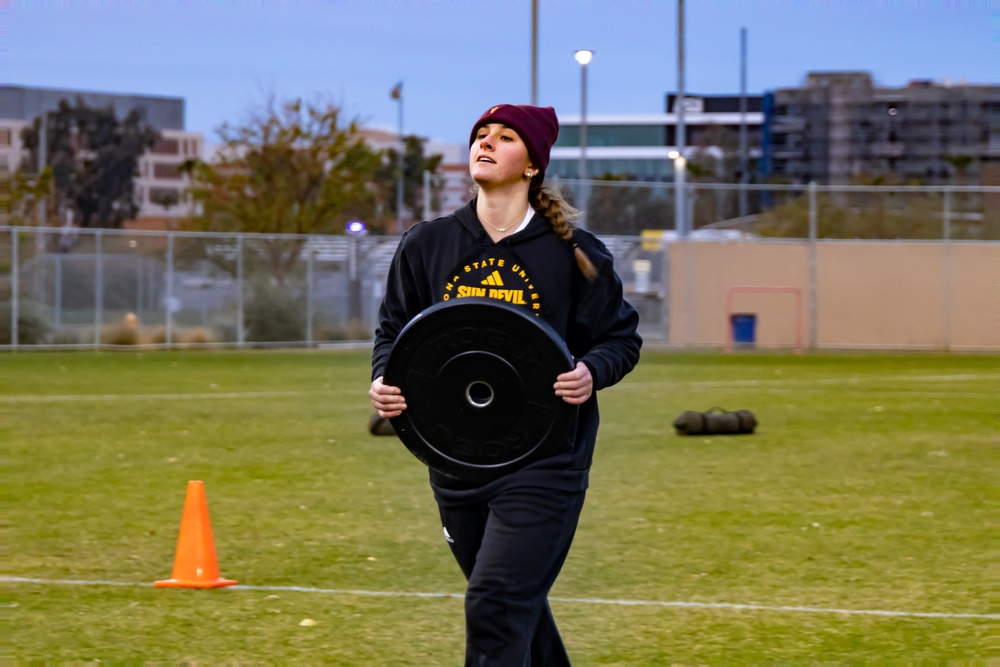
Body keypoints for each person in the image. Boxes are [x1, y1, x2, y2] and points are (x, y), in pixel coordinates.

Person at [370, 104, 641, 666]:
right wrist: (383, 380)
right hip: (456, 460)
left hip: (546, 461)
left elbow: (620, 340)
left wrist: (591, 372)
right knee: (516, 610)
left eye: (506, 137)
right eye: (480, 135)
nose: (486, 144)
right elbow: (395, 333)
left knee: (495, 602)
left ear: (532, 165)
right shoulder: (427, 244)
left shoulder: (576, 254)